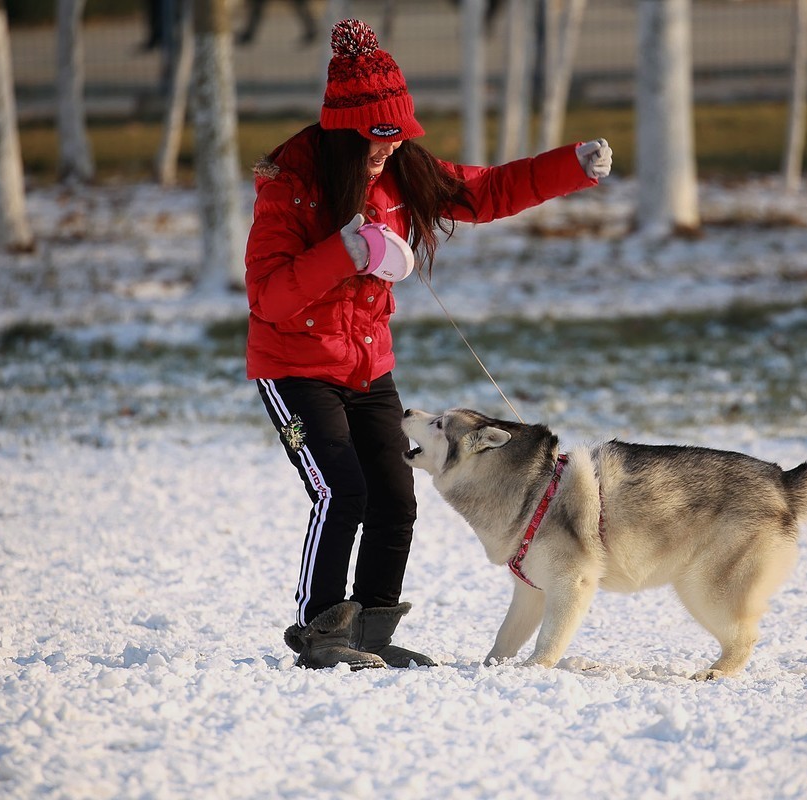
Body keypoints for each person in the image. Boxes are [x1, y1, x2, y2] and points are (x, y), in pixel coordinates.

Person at [244, 18, 613, 671]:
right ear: (341, 133)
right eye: (372, 141)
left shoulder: (400, 170)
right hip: (295, 369)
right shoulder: (293, 183)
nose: (386, 152)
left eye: (395, 137)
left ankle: (371, 633)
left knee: (395, 495)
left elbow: (485, 190)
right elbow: (268, 297)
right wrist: (344, 251)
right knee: (341, 491)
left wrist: (570, 166)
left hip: (368, 366)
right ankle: (320, 631)